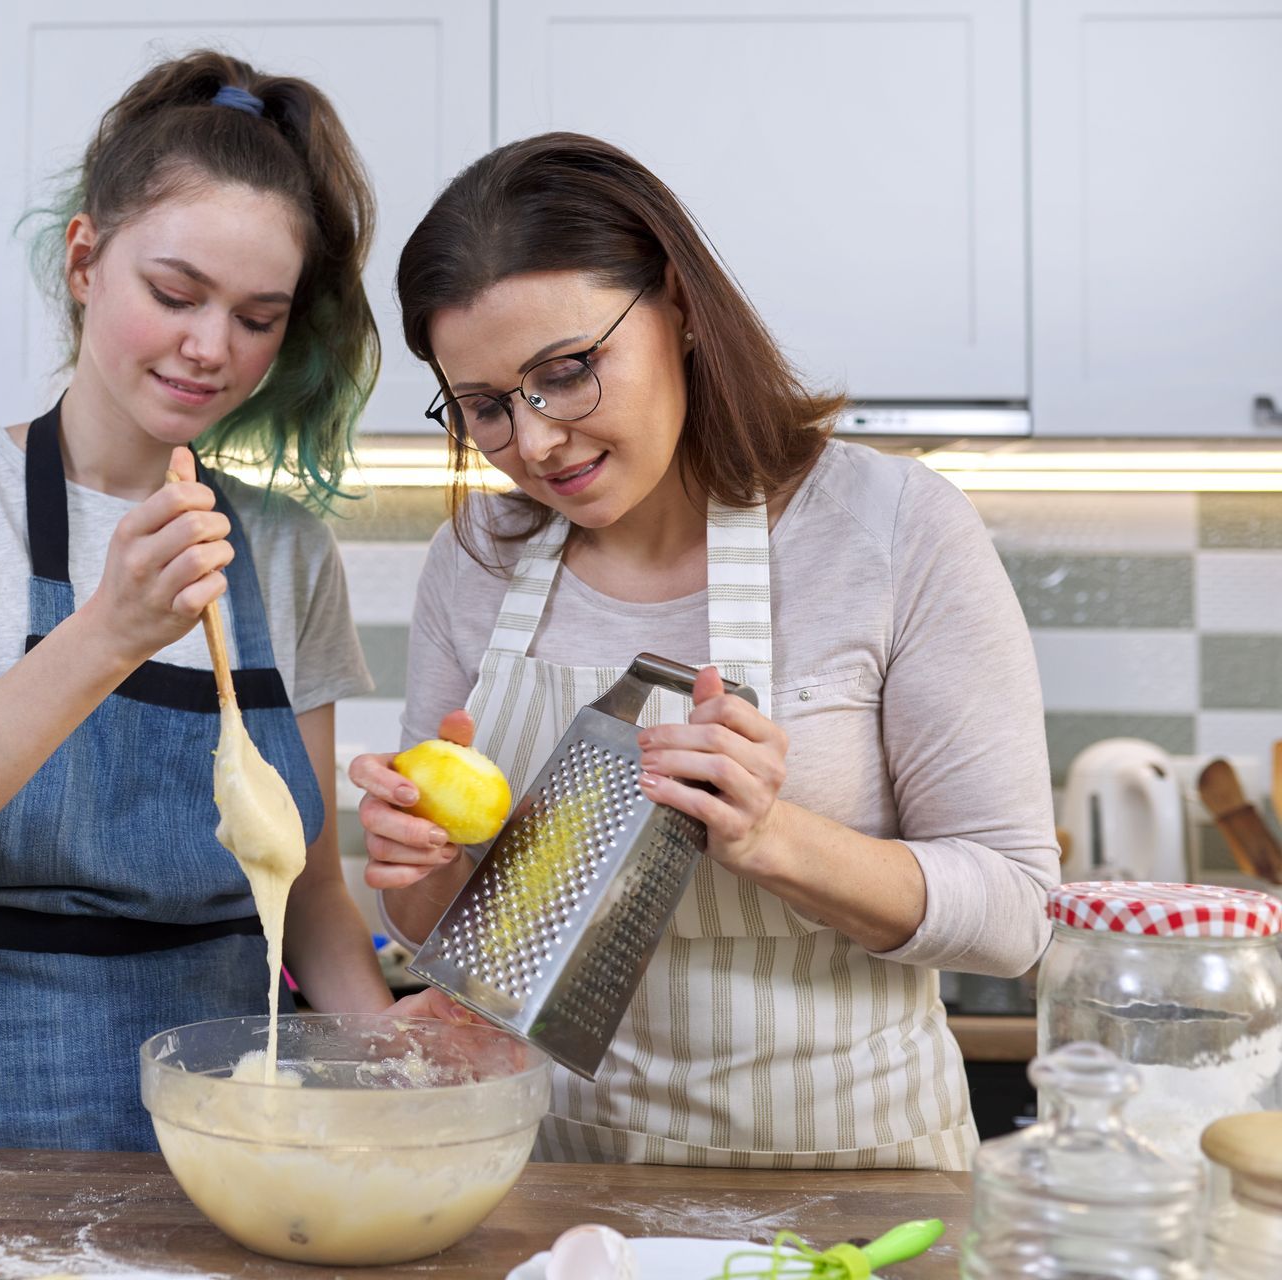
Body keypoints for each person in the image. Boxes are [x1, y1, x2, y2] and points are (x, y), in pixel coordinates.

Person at [349, 133, 1059, 1170]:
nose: (536, 440)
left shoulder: (893, 529)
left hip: (844, 1187)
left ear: (676, 305)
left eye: (566, 372)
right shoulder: (474, 563)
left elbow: (1017, 915)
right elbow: (443, 933)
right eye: (488, 406)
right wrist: (415, 872)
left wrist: (775, 836)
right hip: (552, 1182)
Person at [0, 50, 402, 1152]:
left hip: (228, 1154)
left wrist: (403, 1086)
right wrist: (107, 634)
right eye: (174, 294)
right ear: (85, 259)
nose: (211, 348)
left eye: (259, 317)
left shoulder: (281, 548)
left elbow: (313, 895)